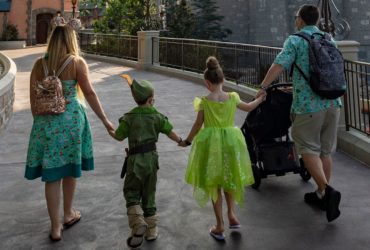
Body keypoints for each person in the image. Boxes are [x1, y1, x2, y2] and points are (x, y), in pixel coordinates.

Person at [25, 25, 114, 241]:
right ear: (70, 40)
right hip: (71, 121)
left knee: (52, 174)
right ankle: (68, 214)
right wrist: (105, 120)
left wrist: (40, 123)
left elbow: (33, 99)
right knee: (69, 169)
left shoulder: (39, 65)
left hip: (46, 123)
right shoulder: (76, 62)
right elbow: (89, 93)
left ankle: (55, 227)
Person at [256, 4, 342, 222]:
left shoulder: (295, 40)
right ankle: (322, 195)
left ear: (301, 20)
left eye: (297, 17)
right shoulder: (328, 39)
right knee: (325, 151)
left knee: (307, 149)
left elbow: (279, 65)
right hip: (333, 102)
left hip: (308, 106)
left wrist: (264, 87)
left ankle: (327, 190)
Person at [179, 57, 265, 241]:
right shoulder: (232, 97)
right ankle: (232, 216)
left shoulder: (204, 102)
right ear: (223, 80)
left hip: (211, 146)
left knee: (214, 184)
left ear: (207, 83)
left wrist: (187, 141)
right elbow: (249, 107)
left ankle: (219, 226)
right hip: (230, 142)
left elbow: (197, 125)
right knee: (229, 179)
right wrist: (259, 98)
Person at [109, 75, 182, 249]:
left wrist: (110, 128)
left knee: (131, 192)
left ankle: (137, 222)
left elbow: (118, 136)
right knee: (149, 193)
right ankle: (151, 230)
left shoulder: (130, 117)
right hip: (151, 160)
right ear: (150, 99)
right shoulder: (156, 116)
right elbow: (170, 131)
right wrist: (181, 140)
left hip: (134, 162)